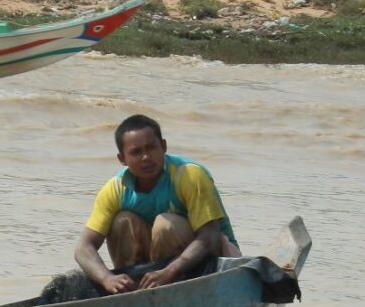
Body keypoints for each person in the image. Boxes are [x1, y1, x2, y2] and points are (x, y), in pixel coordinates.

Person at [75, 114, 241, 294]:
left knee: (165, 225)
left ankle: (171, 288)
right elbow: (83, 248)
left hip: (212, 261)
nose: (146, 157)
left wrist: (169, 271)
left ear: (163, 146)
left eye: (152, 148)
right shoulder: (115, 189)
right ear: (122, 159)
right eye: (136, 152)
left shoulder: (189, 175)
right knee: (122, 221)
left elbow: (211, 236)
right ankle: (135, 289)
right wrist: (107, 278)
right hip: (156, 269)